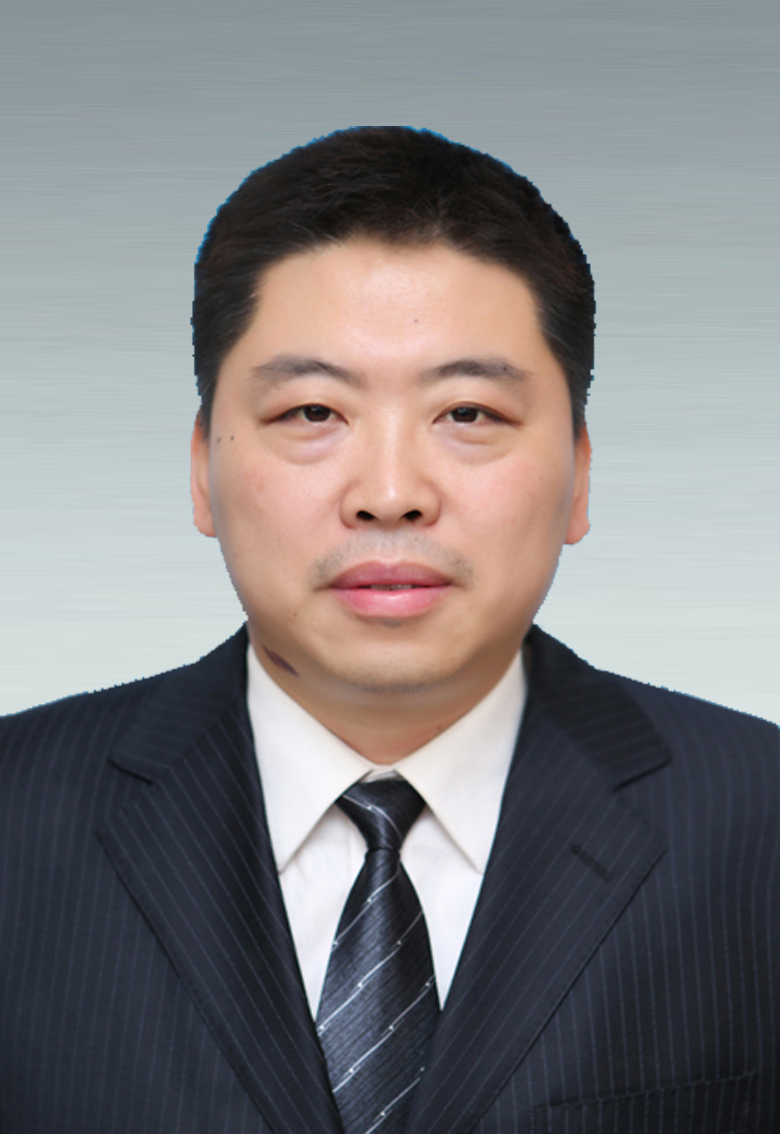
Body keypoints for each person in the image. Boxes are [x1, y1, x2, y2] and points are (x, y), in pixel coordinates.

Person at [0, 127, 777, 1134]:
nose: (391, 493)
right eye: (312, 412)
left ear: (581, 475)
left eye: (469, 414)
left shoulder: (758, 823)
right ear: (201, 469)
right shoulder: (18, 814)